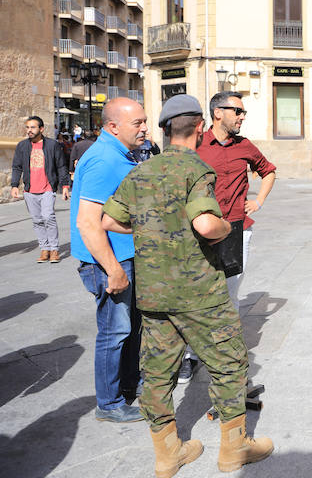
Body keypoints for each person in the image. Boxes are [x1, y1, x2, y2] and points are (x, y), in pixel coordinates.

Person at [101, 94, 273, 476]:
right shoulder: (197, 169)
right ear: (199, 127)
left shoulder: (140, 172)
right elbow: (206, 225)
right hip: (200, 294)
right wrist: (227, 227)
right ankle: (234, 450)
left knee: (158, 373)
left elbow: (110, 221)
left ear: (163, 130)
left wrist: (154, 229)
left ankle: (168, 455)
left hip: (154, 294)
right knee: (229, 363)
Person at [185, 91, 276, 384]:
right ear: (218, 113)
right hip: (201, 228)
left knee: (231, 293)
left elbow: (269, 171)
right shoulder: (196, 145)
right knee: (196, 292)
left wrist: (258, 201)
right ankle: (191, 354)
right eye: (237, 111)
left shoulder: (245, 146)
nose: (242, 116)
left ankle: (226, 351)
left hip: (237, 228)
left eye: (243, 112)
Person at [70, 98, 146, 423]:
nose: (145, 128)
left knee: (130, 329)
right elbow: (88, 222)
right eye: (137, 123)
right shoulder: (103, 159)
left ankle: (130, 385)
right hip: (109, 263)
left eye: (145, 121)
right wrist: (113, 269)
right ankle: (110, 404)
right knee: (114, 332)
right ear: (113, 126)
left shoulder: (118, 154)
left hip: (124, 258)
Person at [10, 116, 71, 263]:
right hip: (30, 189)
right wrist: (14, 185)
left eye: (32, 127)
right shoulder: (22, 146)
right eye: (27, 127)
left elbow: (61, 166)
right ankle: (45, 248)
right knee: (37, 220)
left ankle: (54, 249)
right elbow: (17, 166)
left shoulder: (52, 145)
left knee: (48, 217)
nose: (29, 130)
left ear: (41, 129)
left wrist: (64, 186)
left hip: (47, 188)